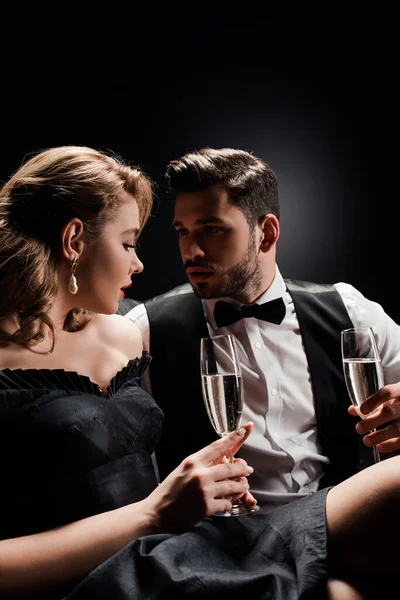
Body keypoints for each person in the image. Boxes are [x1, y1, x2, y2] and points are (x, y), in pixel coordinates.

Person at [0, 145, 399, 600]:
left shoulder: (349, 310)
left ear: (266, 233)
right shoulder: (148, 327)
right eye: (179, 233)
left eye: (211, 230)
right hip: (183, 546)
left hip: (224, 535)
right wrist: (156, 514)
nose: (187, 251)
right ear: (74, 241)